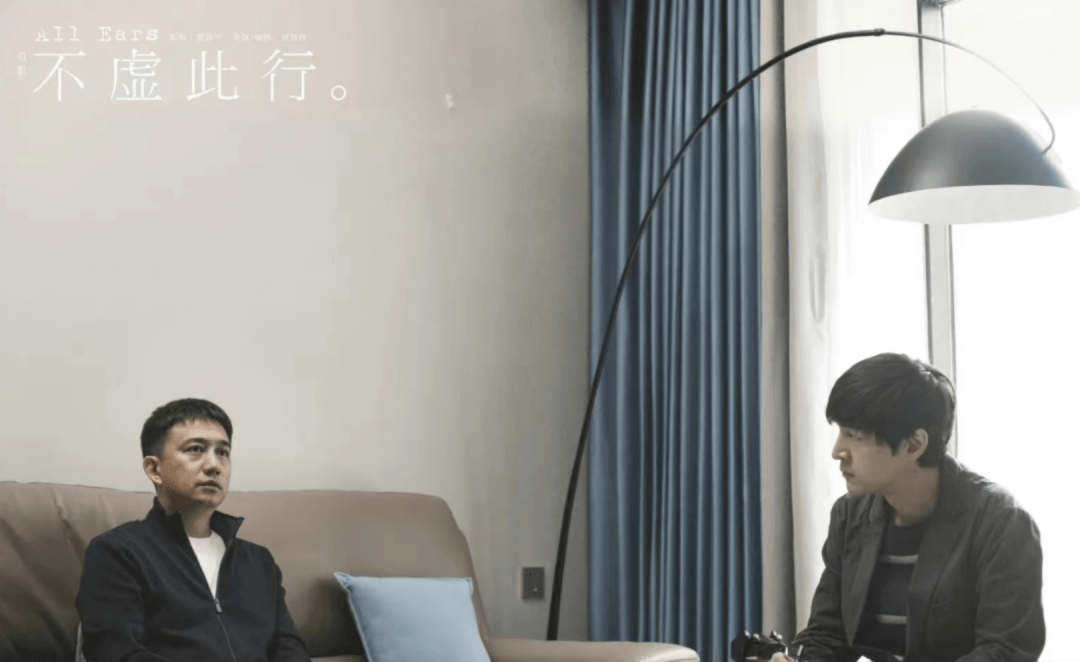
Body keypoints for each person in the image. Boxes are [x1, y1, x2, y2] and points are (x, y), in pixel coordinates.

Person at [773, 353, 1043, 662]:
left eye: (854, 436)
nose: (837, 451)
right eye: (840, 432)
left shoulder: (1001, 522)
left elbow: (1006, 651)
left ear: (914, 444)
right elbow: (828, 634)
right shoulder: (849, 515)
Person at [76, 398, 311, 662]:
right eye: (196, 449)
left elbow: (290, 648)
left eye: (223, 453)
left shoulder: (259, 561)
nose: (214, 465)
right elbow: (116, 652)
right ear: (154, 469)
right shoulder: (118, 552)